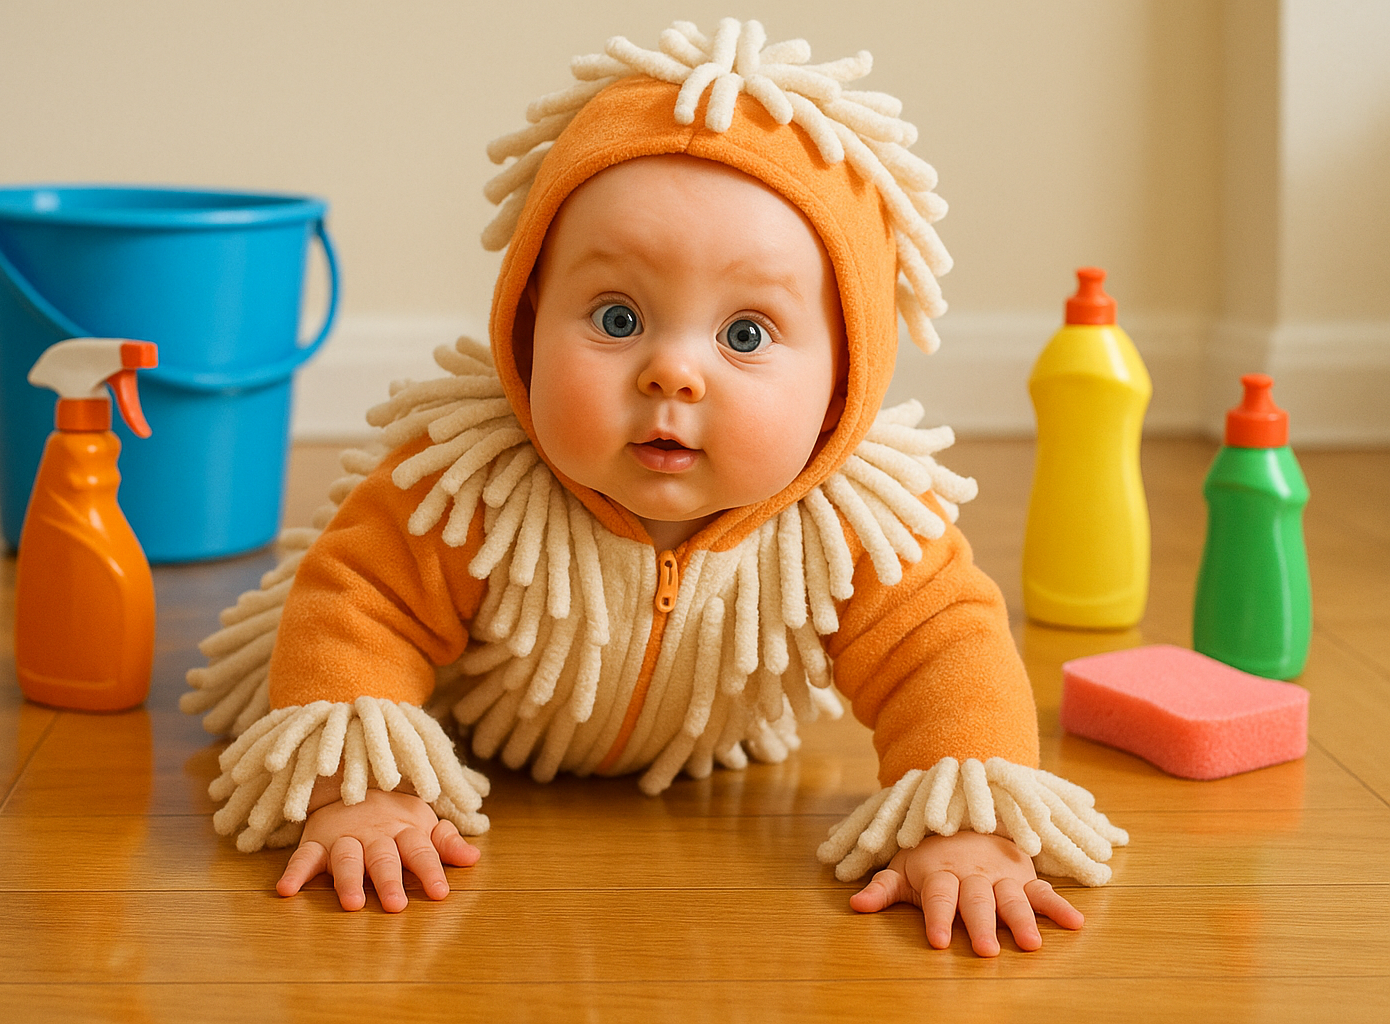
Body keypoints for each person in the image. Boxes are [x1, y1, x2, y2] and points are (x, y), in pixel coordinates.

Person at [183, 18, 1126, 958]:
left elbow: (946, 654)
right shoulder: (463, 484)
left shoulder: (857, 525)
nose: (673, 373)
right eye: (618, 316)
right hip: (474, 734)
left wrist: (964, 816)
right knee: (326, 622)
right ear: (526, 327)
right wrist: (364, 782)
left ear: (845, 380)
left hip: (707, 758)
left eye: (746, 334)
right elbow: (359, 605)